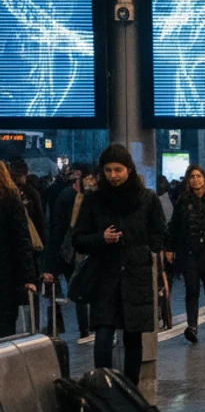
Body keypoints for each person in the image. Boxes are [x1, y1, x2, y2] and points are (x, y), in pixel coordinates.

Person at [73, 145, 166, 382]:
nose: (113, 175)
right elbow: (78, 240)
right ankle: (105, 387)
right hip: (105, 276)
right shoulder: (94, 201)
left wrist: (142, 245)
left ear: (129, 170)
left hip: (136, 275)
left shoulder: (147, 199)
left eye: (118, 170)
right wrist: (101, 238)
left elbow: (159, 234)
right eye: (108, 170)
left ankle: (130, 391)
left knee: (133, 338)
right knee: (103, 337)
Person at [166, 165, 205, 343]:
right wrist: (170, 247)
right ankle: (192, 327)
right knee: (191, 289)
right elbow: (175, 225)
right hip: (189, 252)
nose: (195, 179)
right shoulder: (184, 200)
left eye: (198, 176)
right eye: (192, 177)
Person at [43, 164, 94, 338]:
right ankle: (87, 326)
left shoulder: (65, 196)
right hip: (79, 250)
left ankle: (85, 327)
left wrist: (49, 264)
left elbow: (56, 228)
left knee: (77, 287)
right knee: (83, 287)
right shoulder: (88, 198)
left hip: (69, 251)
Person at [0, 162, 38, 338]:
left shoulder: (9, 198)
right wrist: (28, 277)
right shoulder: (11, 198)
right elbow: (22, 240)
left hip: (6, 277)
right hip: (7, 278)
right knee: (5, 332)